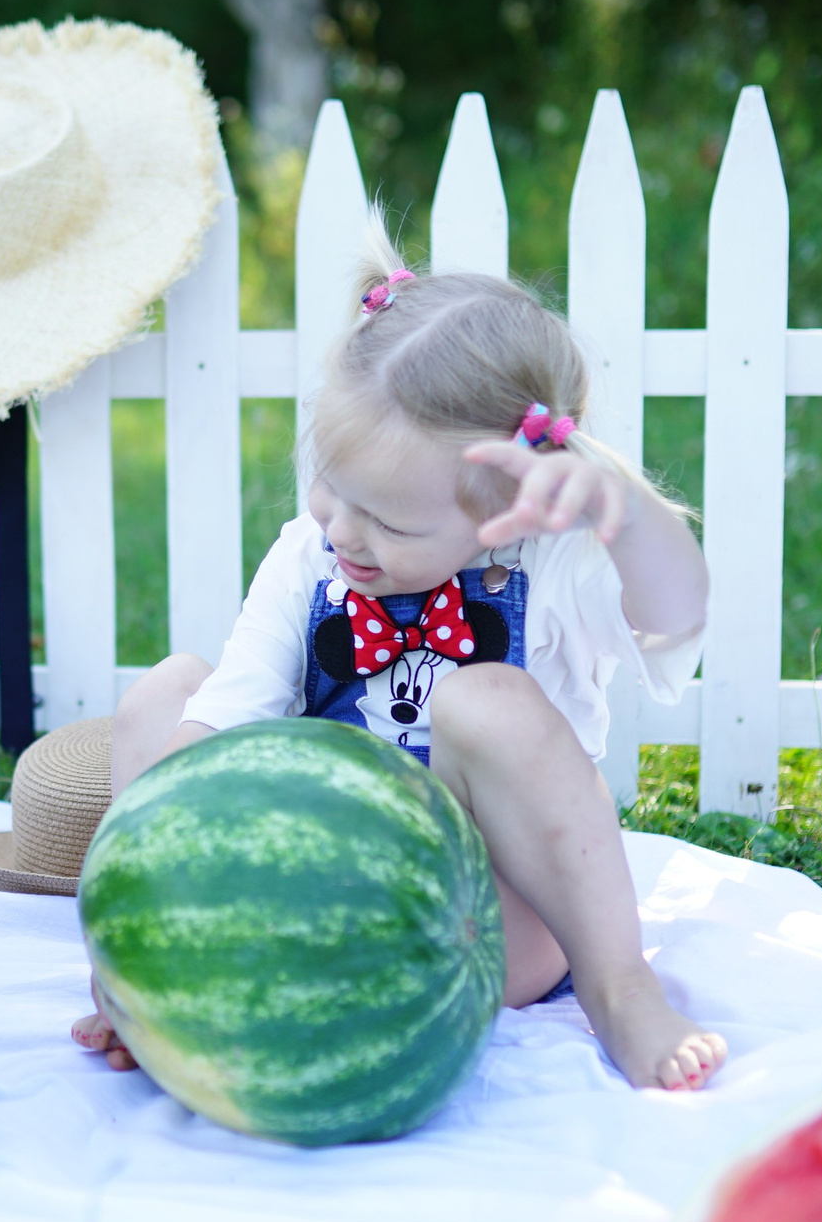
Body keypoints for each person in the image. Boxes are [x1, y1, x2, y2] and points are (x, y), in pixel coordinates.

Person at [72, 219, 728, 1093]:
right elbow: (220, 720)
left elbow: (678, 613)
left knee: (484, 700)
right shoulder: (310, 554)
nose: (343, 530)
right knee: (167, 694)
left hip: (484, 921)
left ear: (511, 508)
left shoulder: (561, 567)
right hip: (317, 907)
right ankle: (159, 970)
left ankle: (620, 983)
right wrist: (156, 890)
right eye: (332, 490)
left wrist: (628, 514)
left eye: (388, 521)